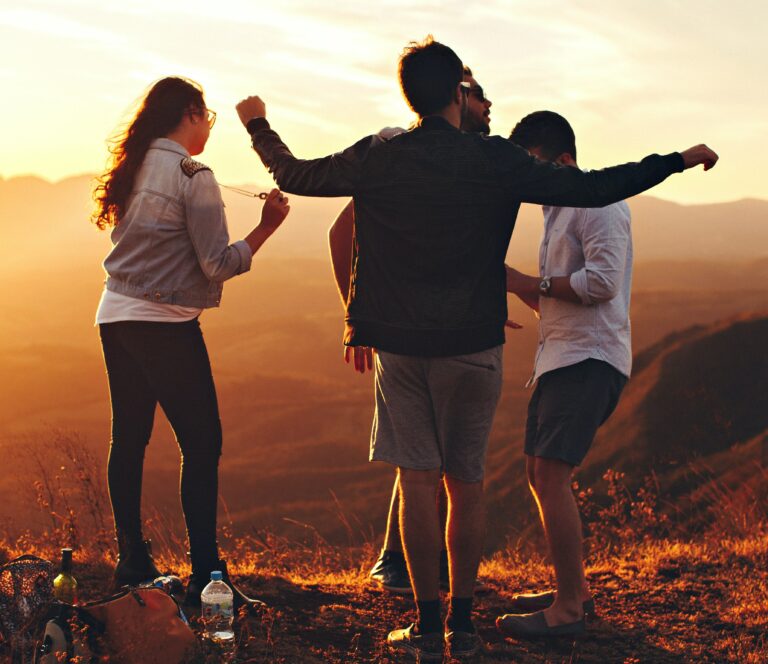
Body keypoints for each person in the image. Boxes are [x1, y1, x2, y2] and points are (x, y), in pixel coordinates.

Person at [235, 36, 717, 661]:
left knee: (418, 483)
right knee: (467, 484)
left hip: (402, 346)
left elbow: (297, 175)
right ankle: (463, 623)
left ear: (410, 95)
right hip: (474, 344)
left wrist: (257, 125)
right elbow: (596, 187)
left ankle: (428, 628)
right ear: (459, 95)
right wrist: (675, 159)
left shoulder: (380, 156)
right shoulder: (492, 160)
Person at [92, 76, 290, 612]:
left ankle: (132, 558)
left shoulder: (135, 165)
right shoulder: (193, 175)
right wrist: (267, 227)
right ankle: (207, 574)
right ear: (190, 114)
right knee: (202, 444)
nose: (209, 129)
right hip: (166, 324)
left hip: (115, 315)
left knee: (129, 438)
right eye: (208, 119)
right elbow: (217, 264)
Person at [328, 65, 495, 596]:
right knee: (424, 462)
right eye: (479, 94)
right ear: (454, 96)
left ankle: (416, 574)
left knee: (428, 460)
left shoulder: (462, 163)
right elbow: (342, 230)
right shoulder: (398, 151)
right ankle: (400, 566)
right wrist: (358, 316)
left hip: (438, 327)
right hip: (407, 331)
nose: (490, 106)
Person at [495, 111, 640, 638]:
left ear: (561, 160)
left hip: (590, 359)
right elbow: (561, 294)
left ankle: (568, 612)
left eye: (529, 164)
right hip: (562, 357)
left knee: (551, 475)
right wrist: (517, 289)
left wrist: (528, 280)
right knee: (539, 473)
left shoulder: (597, 203)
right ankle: (571, 590)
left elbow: (601, 283)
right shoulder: (557, 210)